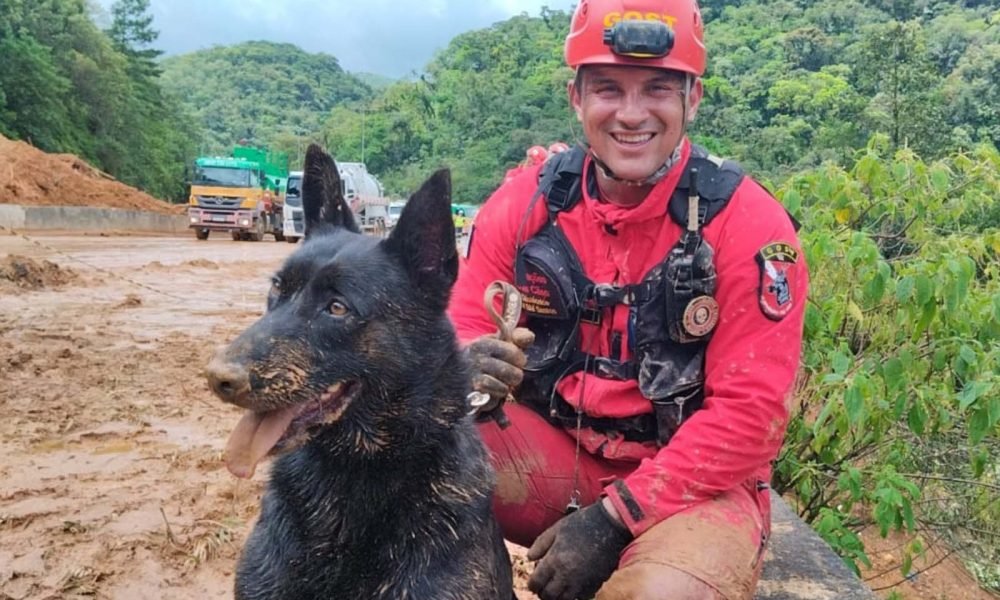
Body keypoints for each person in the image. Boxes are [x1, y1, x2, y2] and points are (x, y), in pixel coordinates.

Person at [449, 0, 808, 598]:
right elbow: (463, 317)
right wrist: (469, 358)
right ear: (576, 99)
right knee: (399, 445)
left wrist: (615, 519)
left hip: (696, 487)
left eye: (659, 89)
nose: (631, 114)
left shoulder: (747, 225)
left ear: (693, 98)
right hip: (556, 453)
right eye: (608, 88)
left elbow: (750, 416)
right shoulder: (528, 203)